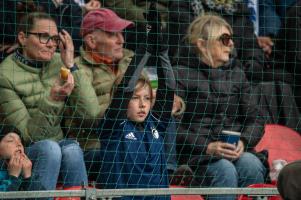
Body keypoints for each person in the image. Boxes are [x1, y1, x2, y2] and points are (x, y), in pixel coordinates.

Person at [173, 14, 267, 200]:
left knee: (251, 163)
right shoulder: (179, 74)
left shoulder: (238, 74)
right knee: (224, 170)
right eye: (224, 39)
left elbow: (256, 119)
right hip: (194, 156)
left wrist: (244, 142)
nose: (231, 44)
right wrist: (206, 147)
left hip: (234, 151)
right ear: (201, 44)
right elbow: (171, 126)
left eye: (231, 38)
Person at [0, 12, 88, 193]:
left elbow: (91, 114)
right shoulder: (4, 75)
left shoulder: (61, 61)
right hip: (25, 152)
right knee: (50, 149)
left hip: (59, 145)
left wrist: (72, 65)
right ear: (23, 38)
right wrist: (53, 99)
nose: (51, 44)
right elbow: (28, 137)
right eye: (43, 37)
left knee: (72, 150)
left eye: (55, 39)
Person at [96, 6, 175, 199]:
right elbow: (125, 89)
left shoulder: (155, 123)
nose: (142, 105)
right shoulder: (113, 125)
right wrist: (144, 51)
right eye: (136, 98)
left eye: (147, 99)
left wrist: (162, 50)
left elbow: (169, 88)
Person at [63, 8, 135, 180]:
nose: (121, 40)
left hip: (131, 141)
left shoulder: (129, 61)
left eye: (121, 34)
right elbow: (90, 116)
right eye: (113, 35)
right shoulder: (75, 68)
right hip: (93, 147)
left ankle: (169, 172)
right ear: (92, 41)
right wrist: (122, 106)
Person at [0, 125, 32, 191]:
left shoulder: (26, 168)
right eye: (10, 140)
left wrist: (28, 176)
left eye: (20, 141)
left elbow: (41, 196)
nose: (19, 144)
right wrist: (13, 176)